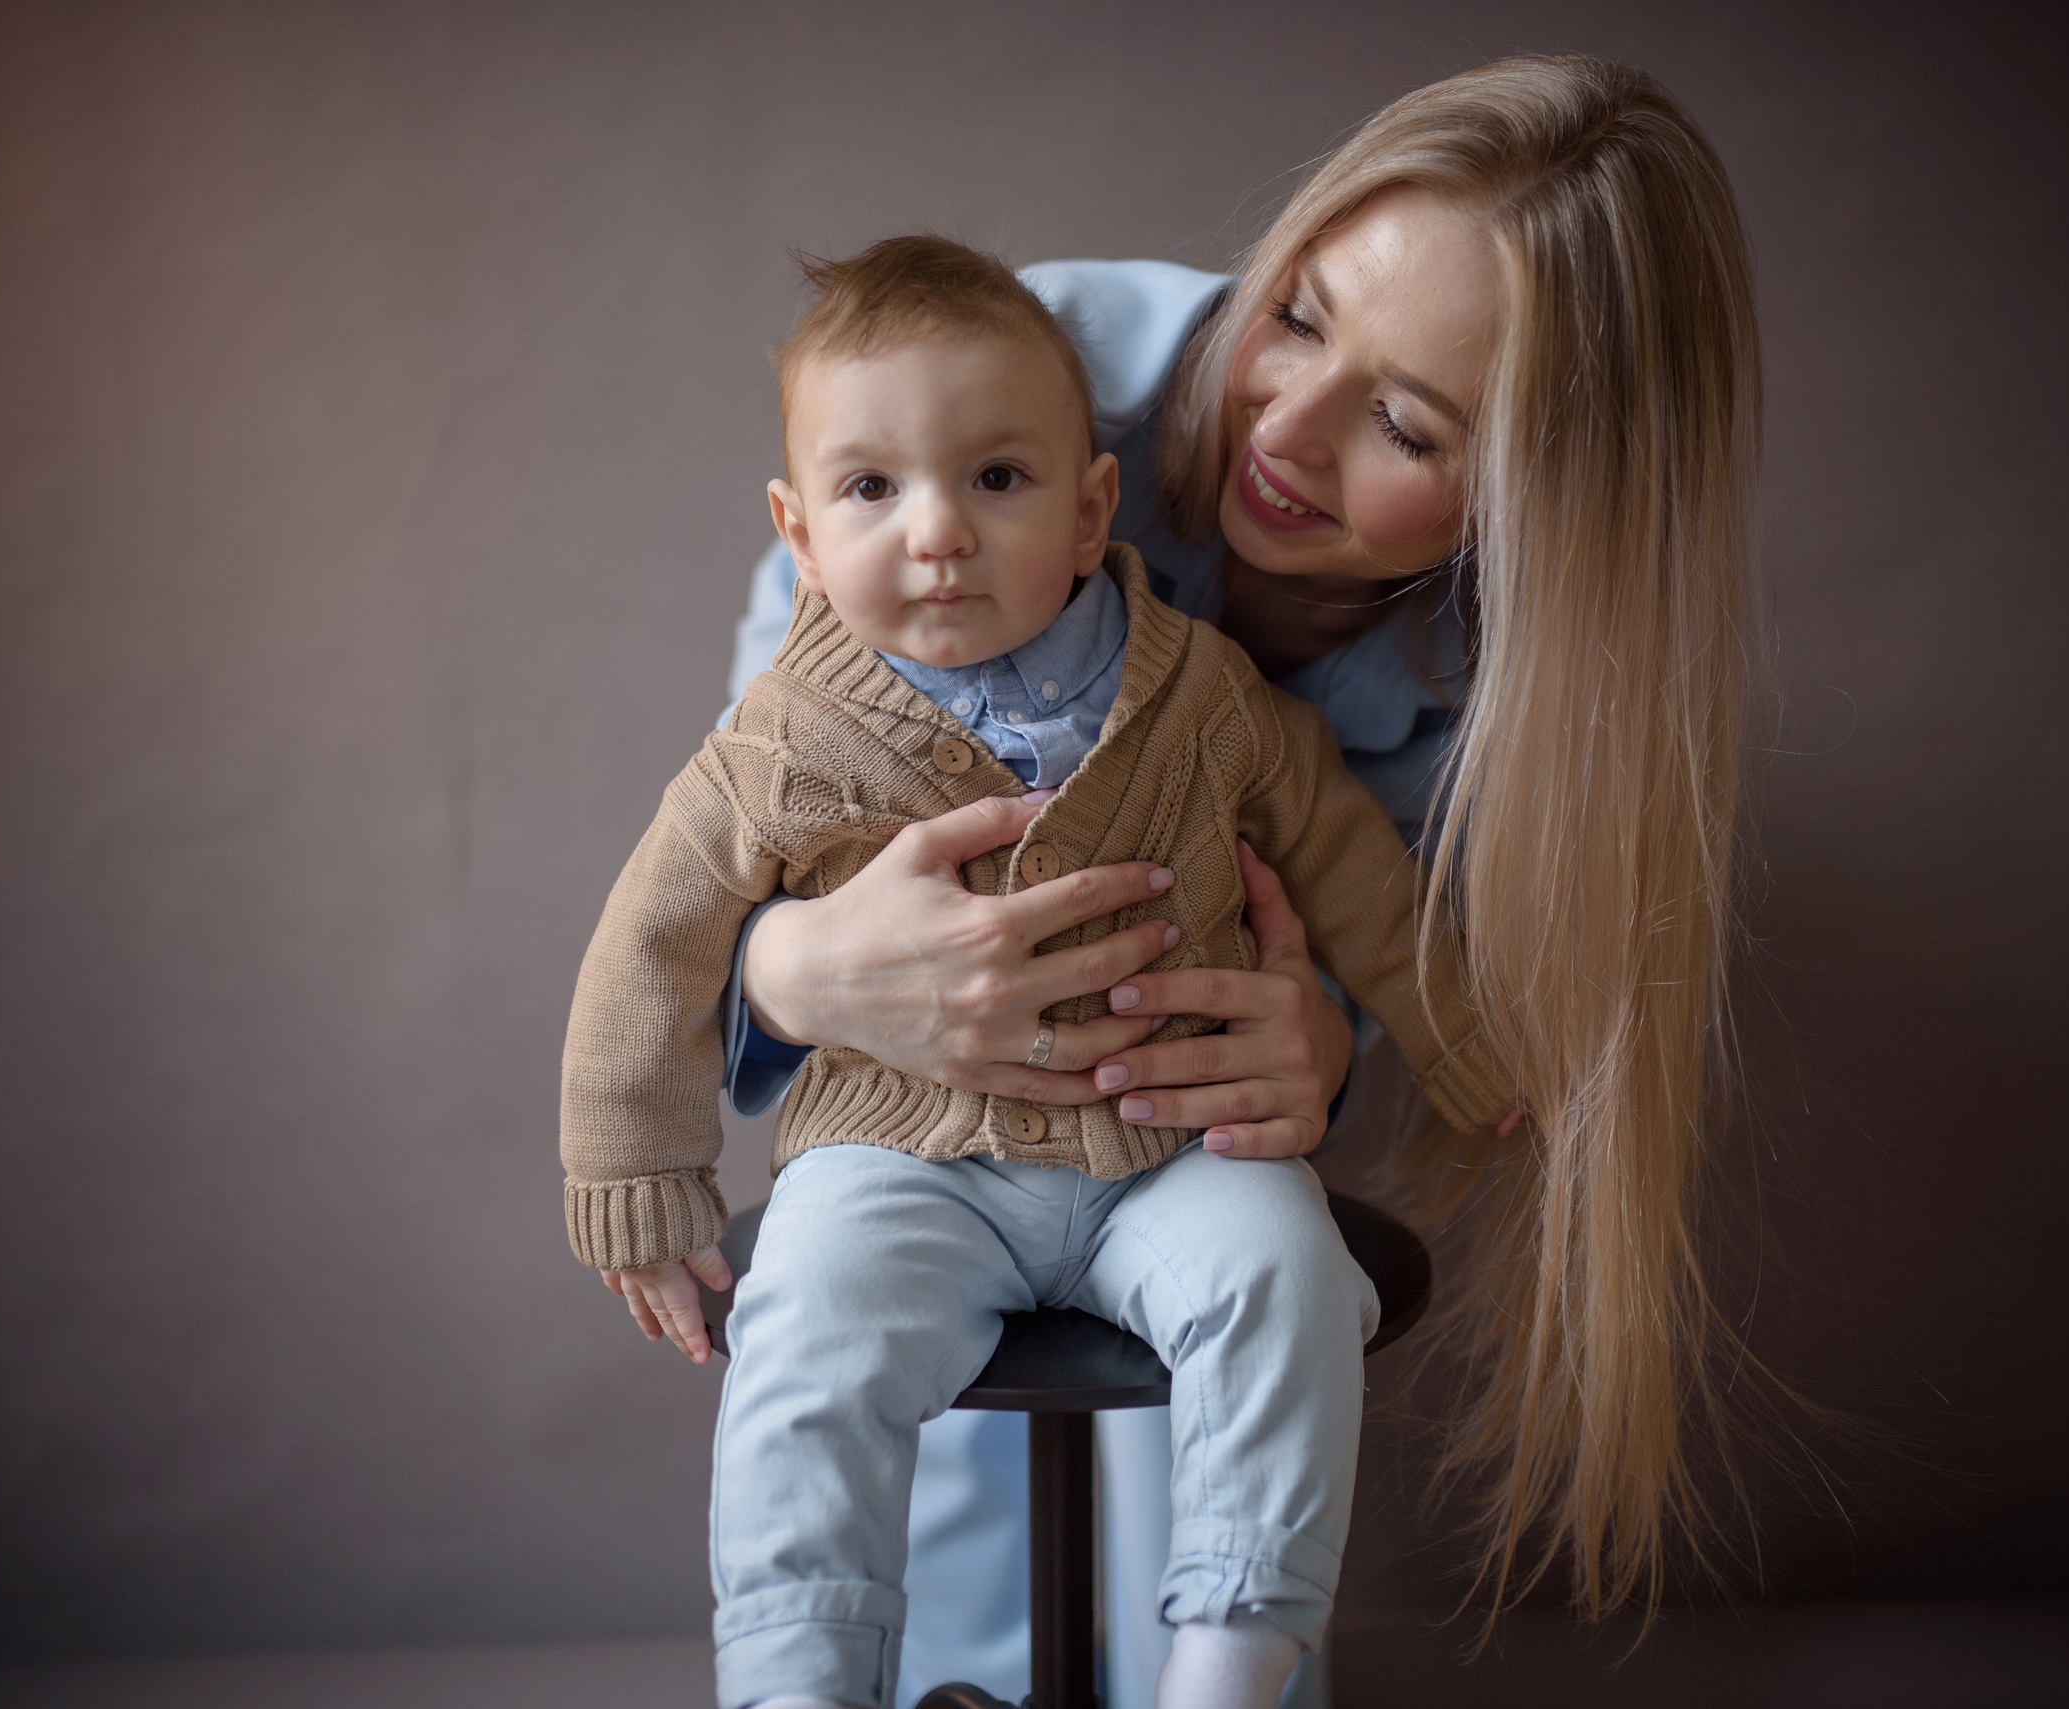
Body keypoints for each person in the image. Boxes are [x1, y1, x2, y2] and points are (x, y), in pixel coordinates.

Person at [615, 51, 1760, 1707]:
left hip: (1171, 1153)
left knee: (1241, 1358)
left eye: (1404, 424)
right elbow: (741, 845)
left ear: (1533, 509)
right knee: (875, 1395)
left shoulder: (1523, 704)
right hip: (919, 1129)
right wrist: (794, 971)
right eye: (1297, 317)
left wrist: (1327, 1042)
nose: (1282, 426)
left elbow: (1366, 928)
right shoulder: (982, 395)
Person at [559, 234, 1518, 1709]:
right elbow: (653, 937)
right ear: (798, 532)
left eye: (995, 480)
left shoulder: (1199, 692)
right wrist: (636, 1163)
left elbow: (1348, 864)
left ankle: (1231, 1654)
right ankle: (798, 1673)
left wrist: (1451, 1039)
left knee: (1290, 1275)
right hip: (902, 1154)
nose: (937, 531)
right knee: (808, 1325)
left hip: (1165, 1152)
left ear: (1089, 510)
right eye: (871, 490)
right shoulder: (782, 739)